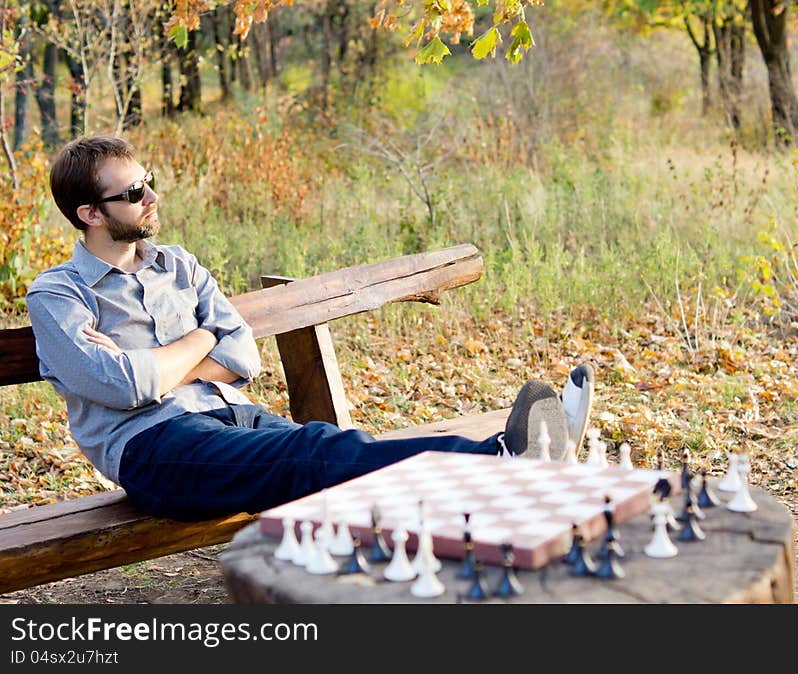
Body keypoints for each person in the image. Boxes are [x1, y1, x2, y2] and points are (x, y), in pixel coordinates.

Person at [25, 135, 595, 521]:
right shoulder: (58, 295)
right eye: (132, 193)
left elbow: (242, 354)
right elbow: (126, 390)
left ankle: (512, 498)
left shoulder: (178, 263)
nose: (152, 196)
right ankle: (504, 460)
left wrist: (161, 359)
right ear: (91, 215)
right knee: (312, 450)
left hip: (234, 417)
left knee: (340, 462)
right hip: (155, 449)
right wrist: (202, 340)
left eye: (147, 180)